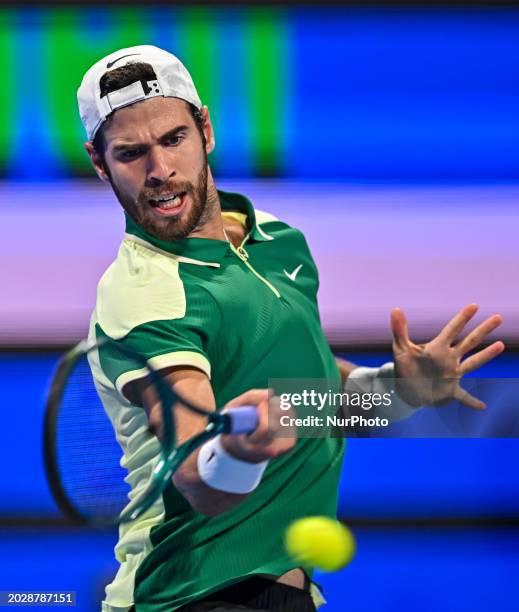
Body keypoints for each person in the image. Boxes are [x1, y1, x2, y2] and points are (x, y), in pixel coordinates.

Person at [77, 45, 504, 612]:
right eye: (131, 153)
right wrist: (237, 450)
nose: (160, 171)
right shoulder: (144, 294)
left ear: (205, 129)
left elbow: (315, 404)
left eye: (173, 139)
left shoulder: (277, 241)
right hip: (185, 596)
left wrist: (402, 392)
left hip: (285, 594)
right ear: (99, 163)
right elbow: (196, 476)